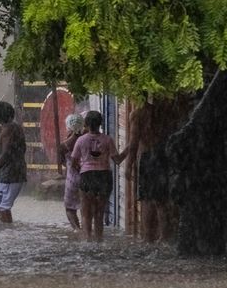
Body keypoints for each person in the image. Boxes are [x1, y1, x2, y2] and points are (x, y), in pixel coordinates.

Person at [125, 97, 190, 243]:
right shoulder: (162, 113)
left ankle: (148, 237)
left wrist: (128, 165)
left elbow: (134, 142)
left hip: (148, 158)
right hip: (163, 156)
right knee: (161, 199)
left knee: (147, 199)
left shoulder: (137, 114)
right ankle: (165, 236)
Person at [71, 110, 127, 242]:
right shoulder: (107, 140)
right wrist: (129, 148)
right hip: (104, 176)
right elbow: (117, 160)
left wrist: (83, 168)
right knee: (99, 212)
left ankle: (87, 240)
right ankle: (99, 241)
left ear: (86, 124)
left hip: (87, 176)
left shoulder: (80, 140)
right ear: (100, 123)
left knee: (86, 214)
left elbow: (73, 162)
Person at [0, 101, 27, 223]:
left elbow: (5, 154)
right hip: (16, 171)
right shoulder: (15, 127)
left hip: (9, 174)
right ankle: (8, 234)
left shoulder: (8, 130)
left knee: (3, 207)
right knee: (1, 207)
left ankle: (9, 235)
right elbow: (21, 149)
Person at [58, 113, 85, 230]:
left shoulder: (64, 145)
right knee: (86, 207)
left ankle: (77, 230)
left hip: (72, 179)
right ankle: (87, 231)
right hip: (88, 177)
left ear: (68, 127)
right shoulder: (87, 140)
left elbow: (62, 162)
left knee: (70, 208)